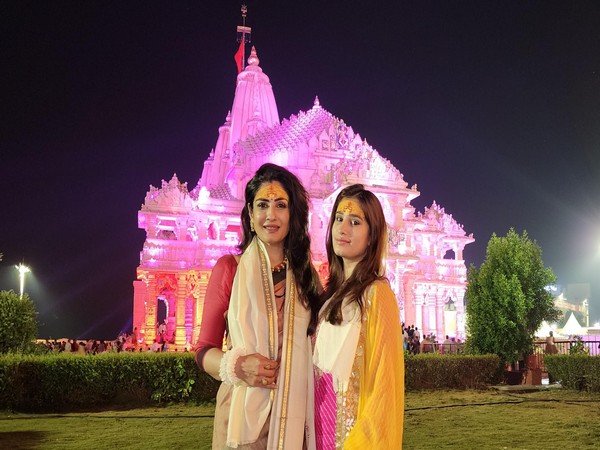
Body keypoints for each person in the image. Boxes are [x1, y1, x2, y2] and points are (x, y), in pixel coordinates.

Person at [195, 163, 322, 449]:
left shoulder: (307, 277)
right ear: (250, 215)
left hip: (295, 416)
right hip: (241, 418)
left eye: (281, 205)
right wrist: (238, 366)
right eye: (262, 205)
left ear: (293, 216)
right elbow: (203, 350)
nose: (271, 215)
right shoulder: (230, 269)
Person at [313, 184, 404, 449]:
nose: (343, 229)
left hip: (353, 439)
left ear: (372, 236)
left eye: (355, 222)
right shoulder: (328, 296)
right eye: (338, 219)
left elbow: (384, 388)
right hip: (318, 435)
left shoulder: (377, 295)